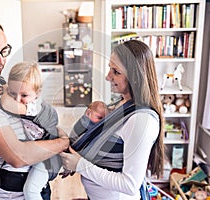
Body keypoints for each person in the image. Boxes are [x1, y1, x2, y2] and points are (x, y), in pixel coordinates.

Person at [0, 17, 69, 200]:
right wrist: (63, 143)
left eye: (4, 51)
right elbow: (18, 156)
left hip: (31, 184)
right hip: (14, 194)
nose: (1, 61)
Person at [60, 40, 164, 200]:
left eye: (116, 71)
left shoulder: (141, 120)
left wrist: (80, 165)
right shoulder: (120, 104)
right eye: (110, 68)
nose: (108, 77)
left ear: (135, 76)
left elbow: (129, 185)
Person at [0, 62, 62, 200]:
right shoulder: (25, 100)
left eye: (24, 95)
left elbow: (5, 103)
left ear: (37, 93)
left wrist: (6, 91)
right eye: (13, 93)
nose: (18, 100)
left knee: (31, 190)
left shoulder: (35, 107)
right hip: (39, 153)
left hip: (49, 158)